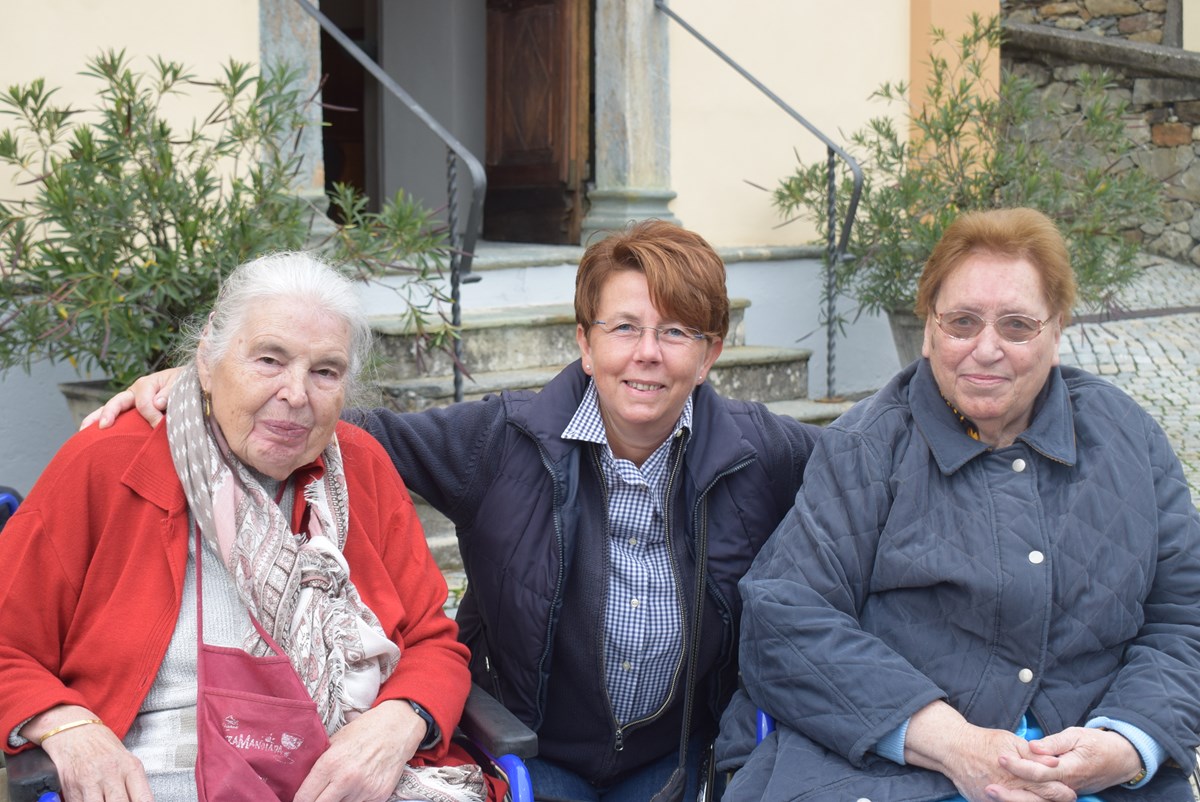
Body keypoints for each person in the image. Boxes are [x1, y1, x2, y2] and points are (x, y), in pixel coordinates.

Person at [85, 221, 821, 801]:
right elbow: (334, 425)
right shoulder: (503, 439)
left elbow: (861, 482)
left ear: (711, 352)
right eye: (623, 327)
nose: (647, 353)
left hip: (677, 759)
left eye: (677, 332)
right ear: (585, 342)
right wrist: (214, 381)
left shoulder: (763, 454)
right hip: (531, 750)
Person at [715, 207, 1200, 802]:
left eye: (1017, 326)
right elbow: (783, 618)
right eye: (962, 322)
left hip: (1094, 779)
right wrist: (949, 742)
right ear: (929, 329)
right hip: (894, 774)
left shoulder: (1128, 437)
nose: (986, 349)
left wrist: (1126, 744)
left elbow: (1184, 616)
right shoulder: (868, 446)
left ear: (1056, 332)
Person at [0, 253, 502, 802]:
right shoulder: (107, 463)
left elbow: (432, 642)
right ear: (207, 359)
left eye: (325, 371)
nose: (296, 394)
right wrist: (67, 726)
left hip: (340, 778)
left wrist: (399, 721)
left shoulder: (362, 468)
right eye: (268, 360)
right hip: (158, 780)